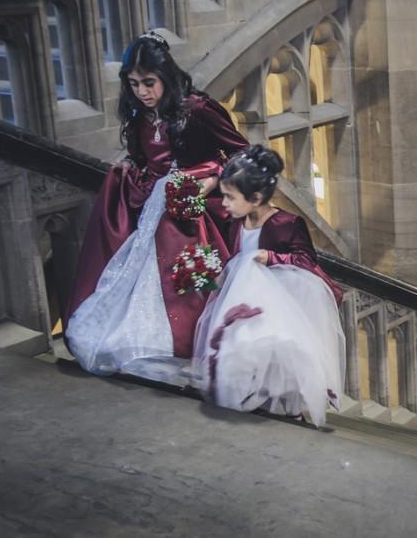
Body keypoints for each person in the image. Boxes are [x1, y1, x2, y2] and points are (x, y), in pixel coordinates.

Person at [65, 32, 248, 379]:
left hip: (193, 210)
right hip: (153, 208)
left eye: (149, 83)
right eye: (133, 84)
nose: (142, 92)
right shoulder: (138, 115)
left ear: (165, 76)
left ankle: (185, 341)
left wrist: (210, 180)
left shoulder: (198, 109)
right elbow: (146, 161)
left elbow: (241, 152)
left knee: (187, 277)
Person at [192, 145, 345, 426]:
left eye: (229, 197)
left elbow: (305, 259)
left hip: (280, 298)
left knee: (277, 351)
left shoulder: (287, 223)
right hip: (243, 292)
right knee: (241, 344)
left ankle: (285, 405)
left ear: (256, 198)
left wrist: (271, 256)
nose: (223, 203)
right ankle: (247, 395)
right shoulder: (234, 219)